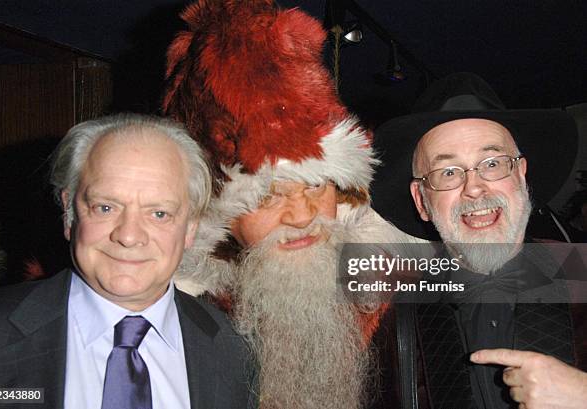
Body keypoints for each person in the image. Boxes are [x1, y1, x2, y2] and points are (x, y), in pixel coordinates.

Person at [162, 1, 423, 408]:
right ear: (218, 215)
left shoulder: (402, 286)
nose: (302, 217)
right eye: (268, 196)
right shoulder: (173, 326)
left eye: (318, 187)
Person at [0, 114, 256, 409]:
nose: (129, 236)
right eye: (106, 207)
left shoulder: (233, 348)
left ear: (190, 228)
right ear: (69, 214)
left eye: (159, 213)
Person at [370, 72, 586, 409]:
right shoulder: (395, 318)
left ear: (522, 175)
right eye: (449, 172)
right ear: (422, 200)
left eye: (493, 163)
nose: (474, 188)